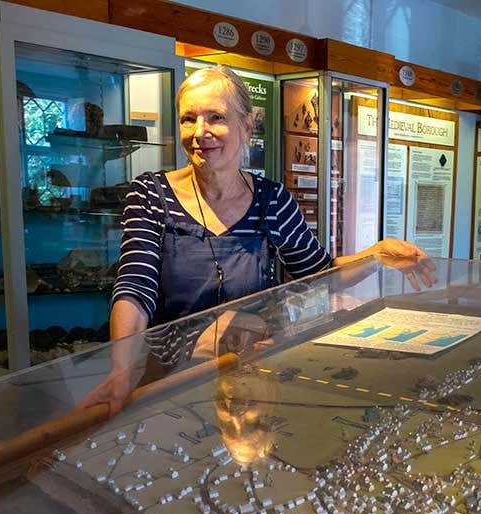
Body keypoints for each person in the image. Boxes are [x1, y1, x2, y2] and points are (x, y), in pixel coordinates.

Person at [82, 66, 436, 415]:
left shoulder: (272, 200)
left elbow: (320, 274)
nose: (199, 132)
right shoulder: (151, 194)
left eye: (215, 117)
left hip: (247, 377)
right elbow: (135, 287)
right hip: (170, 380)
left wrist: (375, 255)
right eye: (188, 119)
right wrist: (121, 370)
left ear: (247, 124)